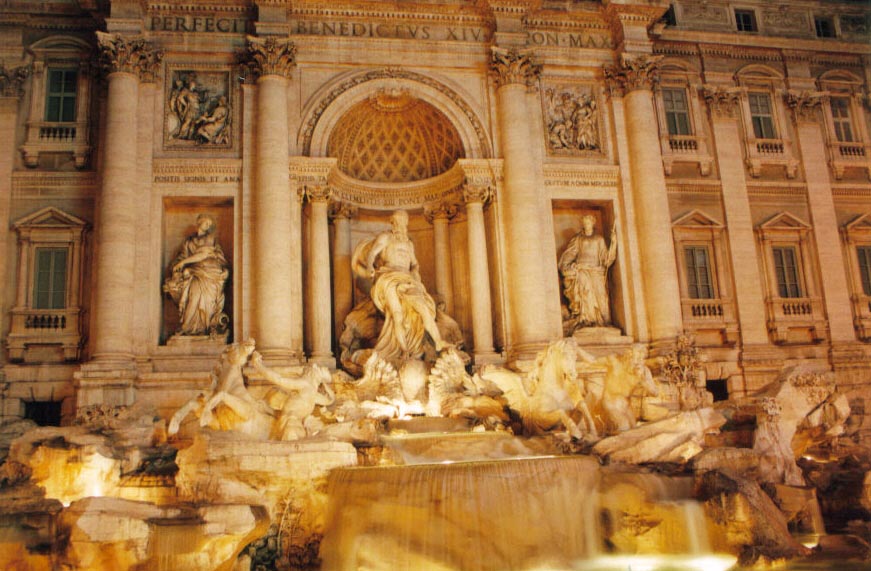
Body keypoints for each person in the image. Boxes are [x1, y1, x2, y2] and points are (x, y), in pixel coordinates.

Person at [360, 210, 448, 364]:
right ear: (393, 222)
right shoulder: (385, 237)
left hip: (407, 279)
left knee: (424, 309)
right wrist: (369, 266)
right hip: (389, 278)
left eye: (404, 222)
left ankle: (438, 341)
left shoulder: (409, 243)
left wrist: (415, 273)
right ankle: (404, 350)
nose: (401, 225)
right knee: (397, 315)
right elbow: (372, 253)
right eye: (398, 221)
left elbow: (414, 264)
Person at [164, 213, 229, 337]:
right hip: (196, 273)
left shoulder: (210, 238)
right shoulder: (189, 242)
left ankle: (204, 327)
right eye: (206, 222)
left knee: (206, 301)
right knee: (194, 296)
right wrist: (178, 266)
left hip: (211, 273)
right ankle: (188, 327)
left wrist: (226, 270)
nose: (208, 225)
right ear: (199, 222)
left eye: (210, 224)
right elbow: (182, 257)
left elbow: (207, 255)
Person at [558, 214, 617, 329]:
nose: (586, 224)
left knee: (601, 295)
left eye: (588, 222)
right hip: (582, 269)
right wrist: (567, 265)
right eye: (584, 222)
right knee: (585, 292)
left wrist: (614, 243)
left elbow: (606, 258)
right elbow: (570, 253)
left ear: (593, 223)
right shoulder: (578, 239)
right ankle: (586, 319)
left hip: (596, 271)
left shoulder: (599, 239)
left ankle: (602, 321)